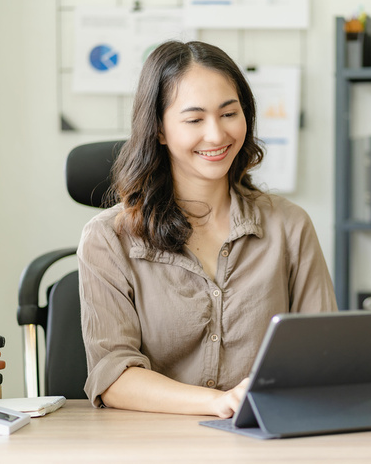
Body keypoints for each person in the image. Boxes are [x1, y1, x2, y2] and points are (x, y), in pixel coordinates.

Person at [77, 40, 337, 419]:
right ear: (160, 130)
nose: (216, 136)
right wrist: (218, 403)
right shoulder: (107, 239)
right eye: (194, 120)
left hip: (265, 438)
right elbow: (113, 376)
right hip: (151, 441)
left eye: (229, 113)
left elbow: (324, 352)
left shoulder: (289, 225)